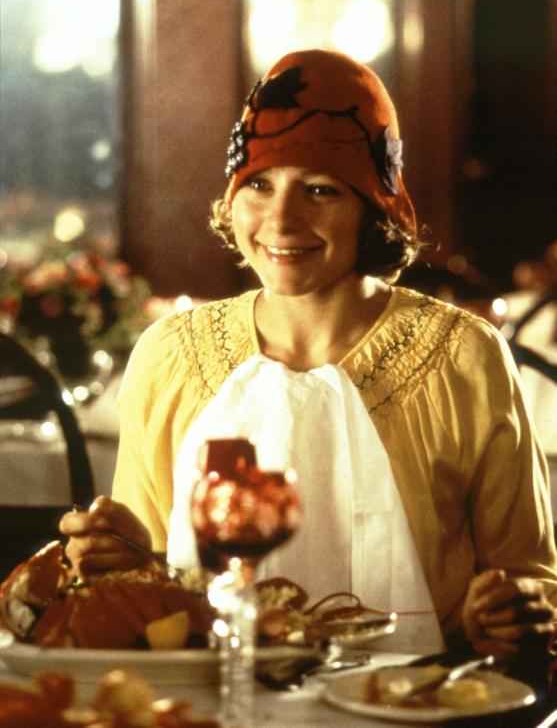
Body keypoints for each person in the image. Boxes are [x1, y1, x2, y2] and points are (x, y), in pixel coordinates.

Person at [61, 48, 556, 657]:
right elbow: (145, 594)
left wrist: (502, 617)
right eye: (259, 184)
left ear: (373, 209)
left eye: (320, 190)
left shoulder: (465, 358)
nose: (281, 219)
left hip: (414, 697)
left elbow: (532, 579)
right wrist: (115, 558)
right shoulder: (169, 356)